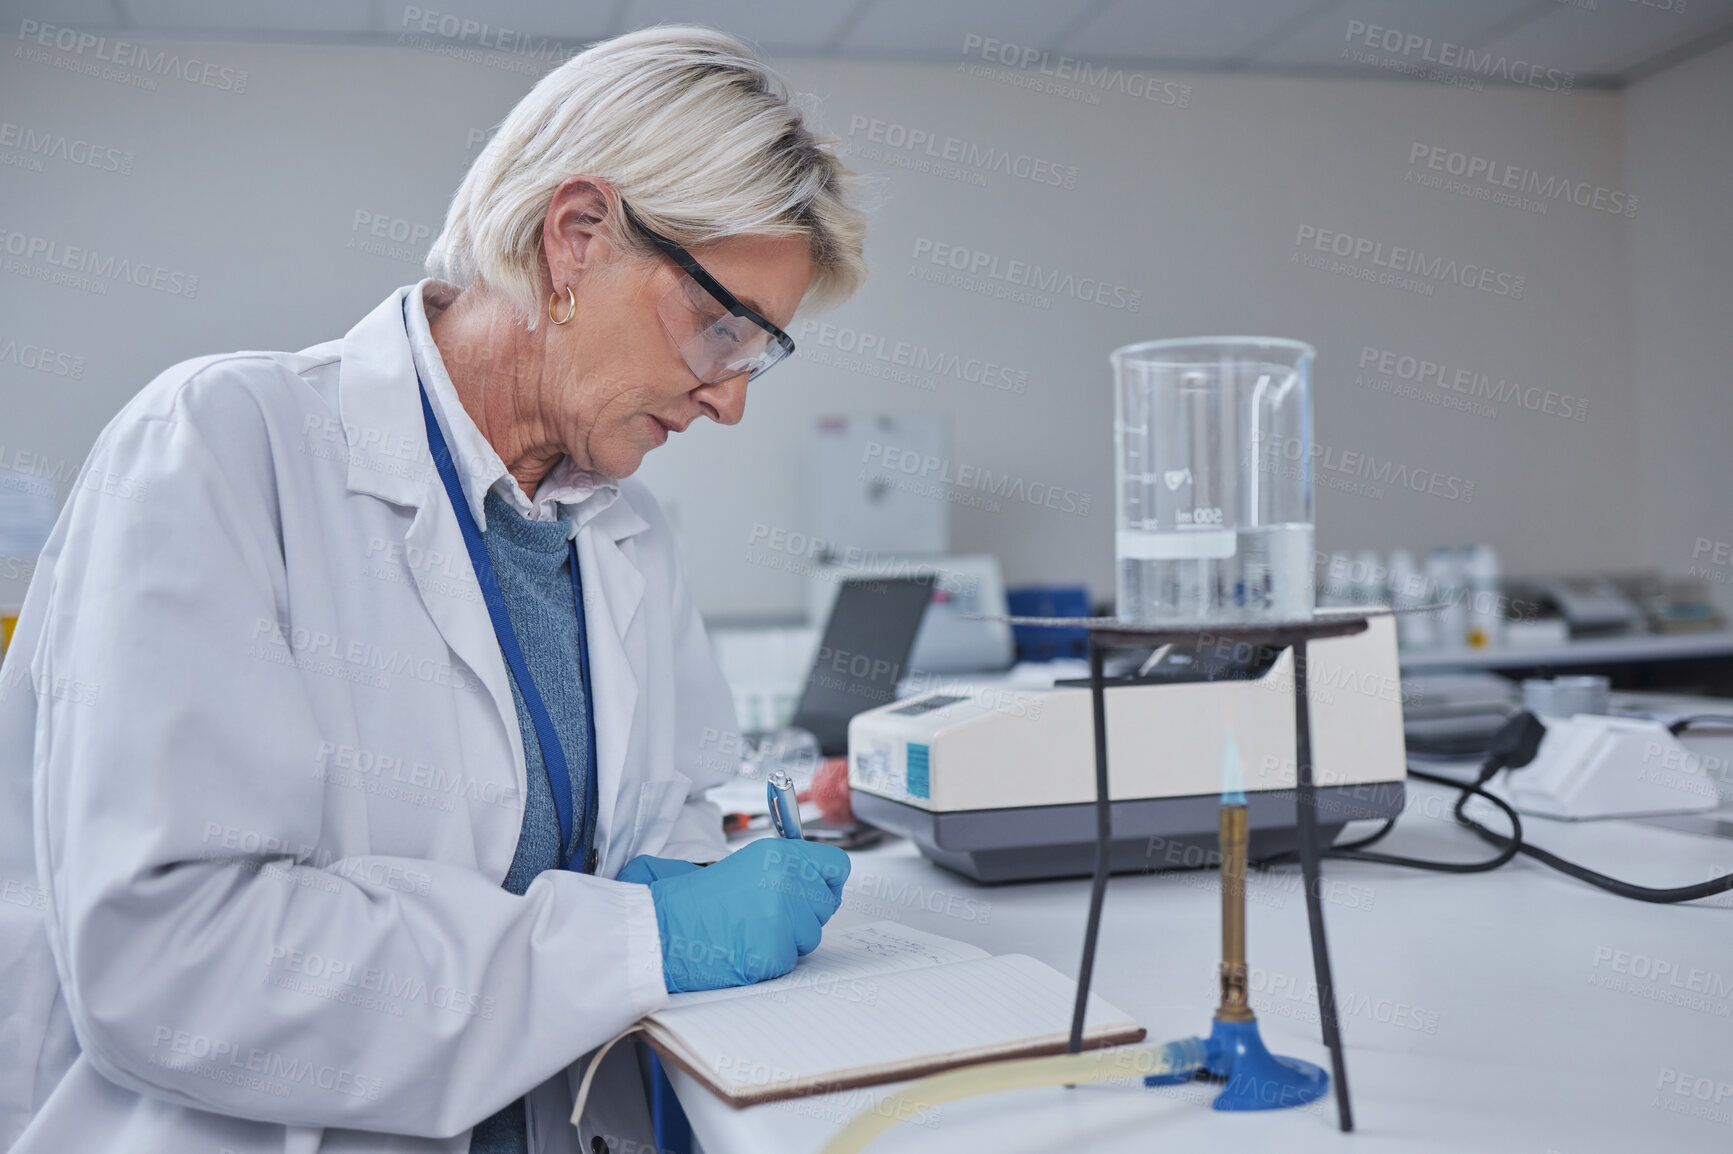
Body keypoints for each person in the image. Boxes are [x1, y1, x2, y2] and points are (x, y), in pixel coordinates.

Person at [0, 26, 866, 1154]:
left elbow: (673, 817)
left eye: (759, 355)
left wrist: (701, 871)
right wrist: (630, 937)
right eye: (719, 330)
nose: (730, 401)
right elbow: (174, 959)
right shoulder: (222, 447)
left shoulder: (621, 530)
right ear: (576, 240)